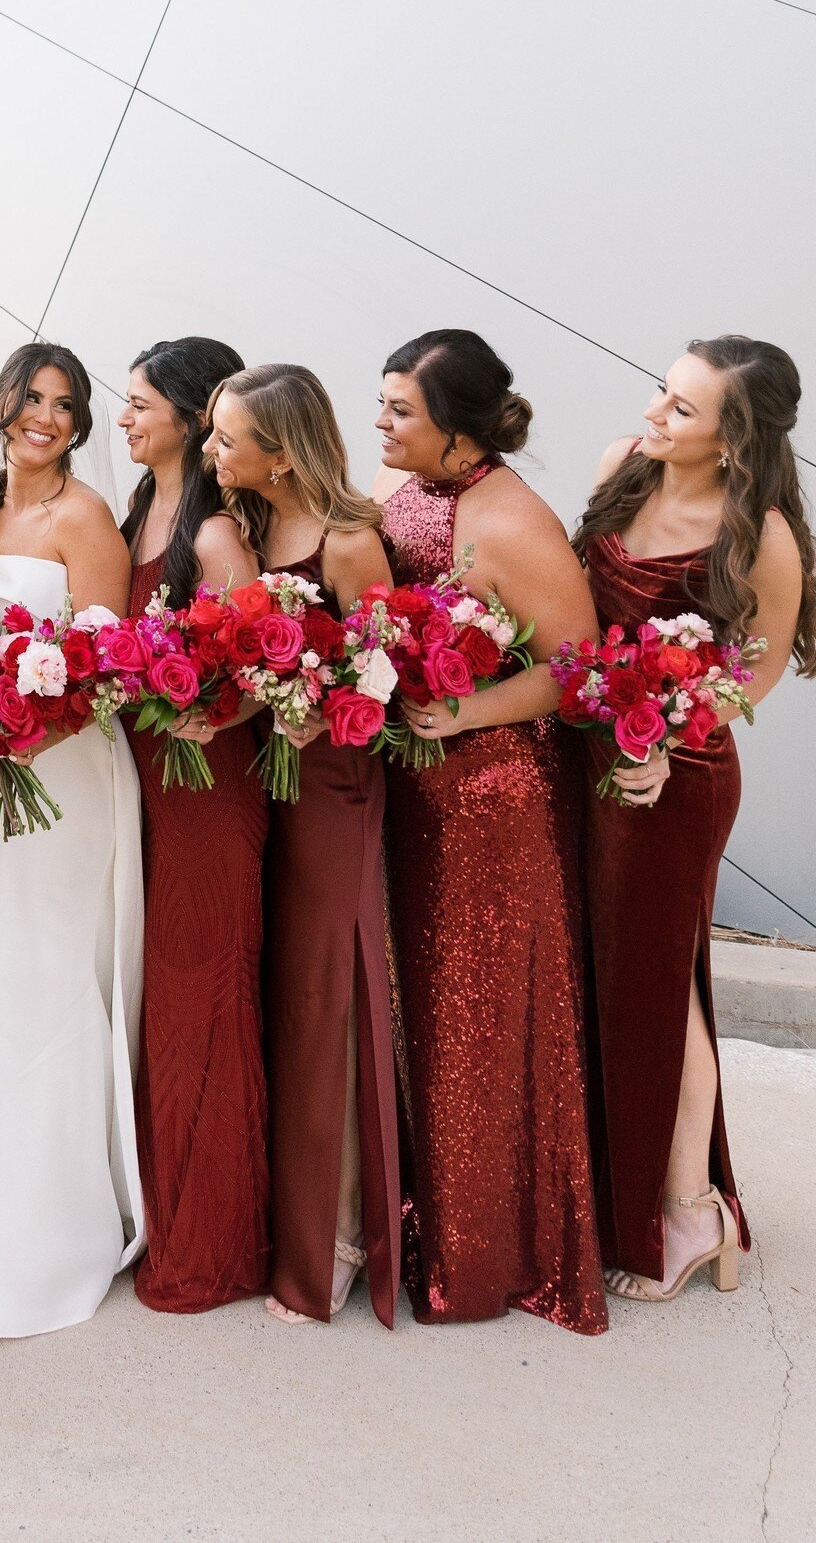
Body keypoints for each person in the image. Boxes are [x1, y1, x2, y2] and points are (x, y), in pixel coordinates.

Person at [376, 328, 607, 1334]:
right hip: (418, 789)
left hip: (493, 803)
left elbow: (579, 668)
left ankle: (485, 1255)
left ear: (459, 431)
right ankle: (420, 1217)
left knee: (477, 1025)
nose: (380, 423)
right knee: (418, 1008)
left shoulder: (513, 521)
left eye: (400, 412)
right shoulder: (417, 492)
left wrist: (463, 713)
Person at [574, 336, 813, 1301]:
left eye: (681, 409)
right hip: (588, 755)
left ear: (733, 439)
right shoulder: (621, 470)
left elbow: (755, 669)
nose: (655, 416)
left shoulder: (760, 535)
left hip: (679, 778)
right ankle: (612, 1184)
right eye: (661, 394)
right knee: (603, 969)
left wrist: (666, 733)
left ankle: (688, 1210)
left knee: (663, 985)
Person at [0, 342, 144, 1337]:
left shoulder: (85, 518)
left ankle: (50, 1241)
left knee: (40, 980)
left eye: (67, 404)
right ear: (0, 402)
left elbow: (109, 667)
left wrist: (24, 726)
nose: (48, 416)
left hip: (56, 773)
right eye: (33, 397)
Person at [207, 363, 402, 1327]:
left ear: (279, 454)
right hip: (260, 783)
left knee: (332, 998)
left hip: (330, 788)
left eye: (226, 438)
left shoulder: (351, 539)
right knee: (284, 995)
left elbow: (384, 668)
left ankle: (345, 1229)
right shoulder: (246, 532)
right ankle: (291, 1218)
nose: (212, 452)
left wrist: (314, 713)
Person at [117, 337, 270, 1313]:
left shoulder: (214, 535)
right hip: (137, 783)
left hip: (204, 788)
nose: (124, 417)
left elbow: (265, 664)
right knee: (156, 999)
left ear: (186, 412)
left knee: (199, 998)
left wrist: (208, 714)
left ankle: (209, 1243)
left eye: (138, 404)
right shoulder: (137, 513)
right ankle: (157, 1211)